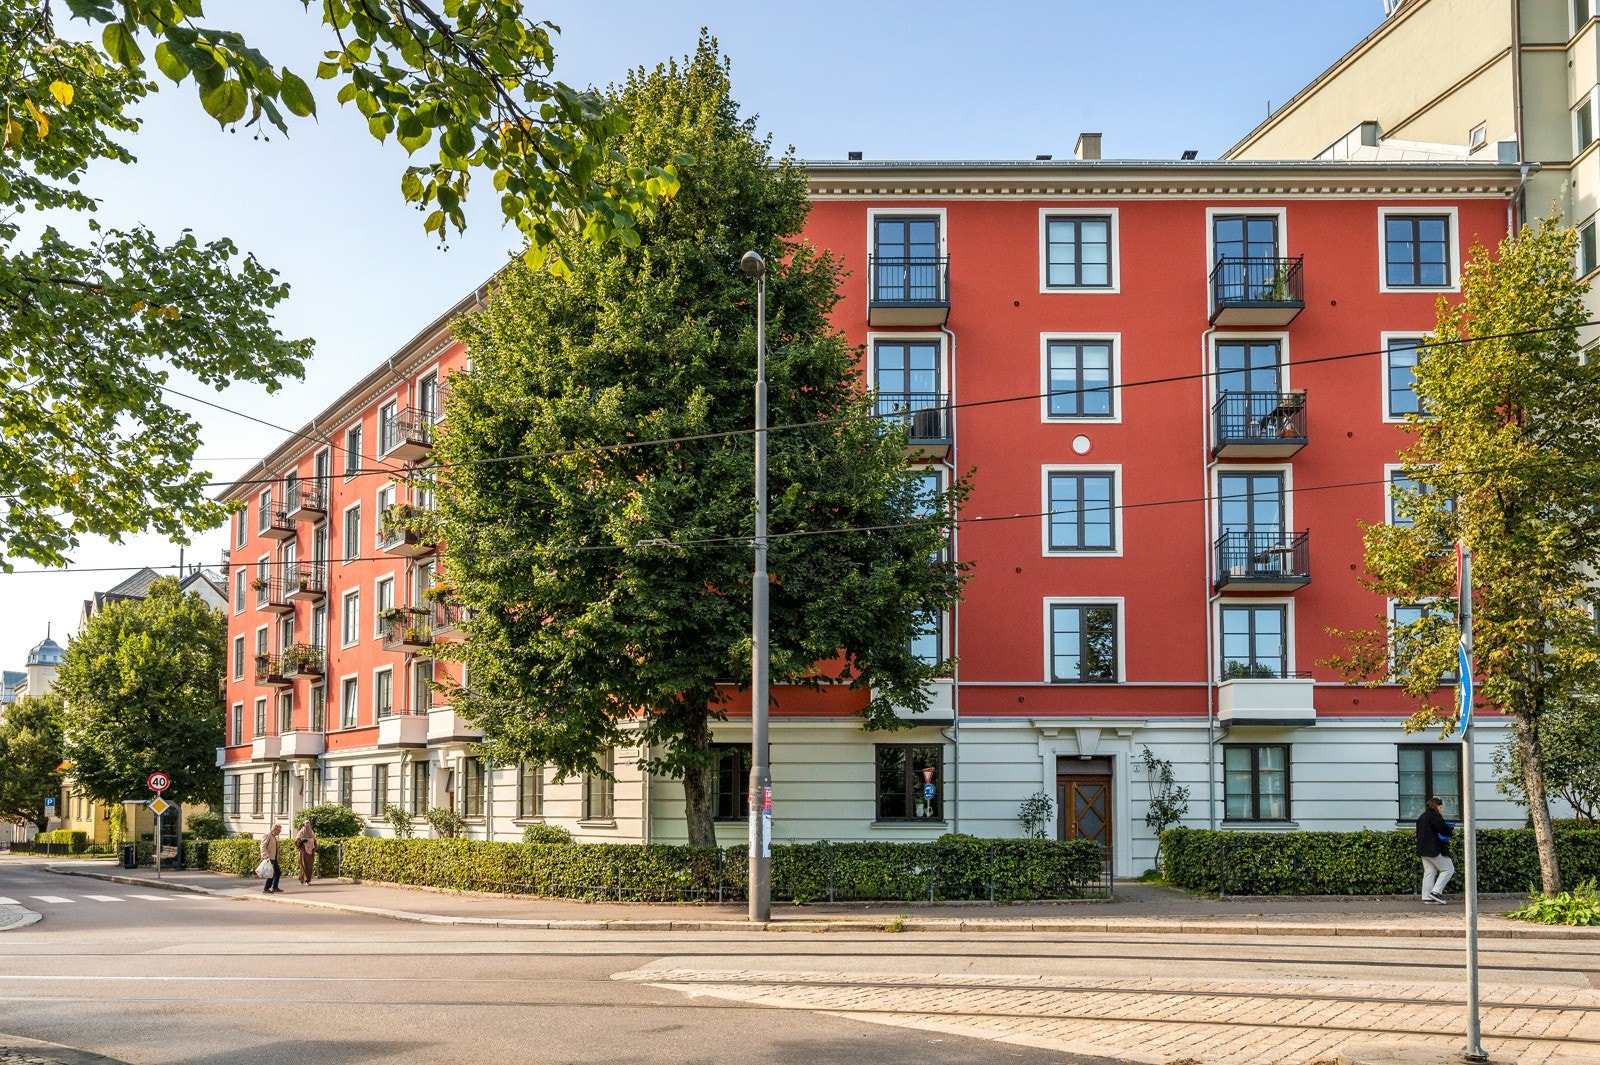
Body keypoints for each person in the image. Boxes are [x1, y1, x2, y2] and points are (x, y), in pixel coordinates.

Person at [1415, 796, 1455, 904]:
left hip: (1422, 849)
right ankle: (1436, 892)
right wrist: (1450, 829)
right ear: (1437, 805)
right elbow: (1443, 829)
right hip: (1434, 849)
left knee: (1430, 872)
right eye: (1441, 807)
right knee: (1448, 869)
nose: (1441, 809)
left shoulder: (1422, 817)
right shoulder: (1435, 816)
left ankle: (1427, 897)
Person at [260, 824, 283, 894]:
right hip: (269, 858)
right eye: (279, 830)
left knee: (277, 872)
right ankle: (266, 889)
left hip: (273, 858)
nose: (280, 832)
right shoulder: (268, 835)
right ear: (275, 829)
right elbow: (263, 846)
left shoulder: (273, 837)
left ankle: (274, 887)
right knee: (271, 873)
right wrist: (265, 855)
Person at [294, 820, 317, 885]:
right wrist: (302, 842)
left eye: (309, 823)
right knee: (304, 865)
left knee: (309, 865)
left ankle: (308, 879)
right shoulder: (301, 832)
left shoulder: (311, 832)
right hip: (303, 851)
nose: (308, 824)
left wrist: (316, 848)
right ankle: (305, 880)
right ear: (304, 824)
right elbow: (297, 841)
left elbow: (315, 841)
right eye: (306, 823)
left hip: (310, 851)